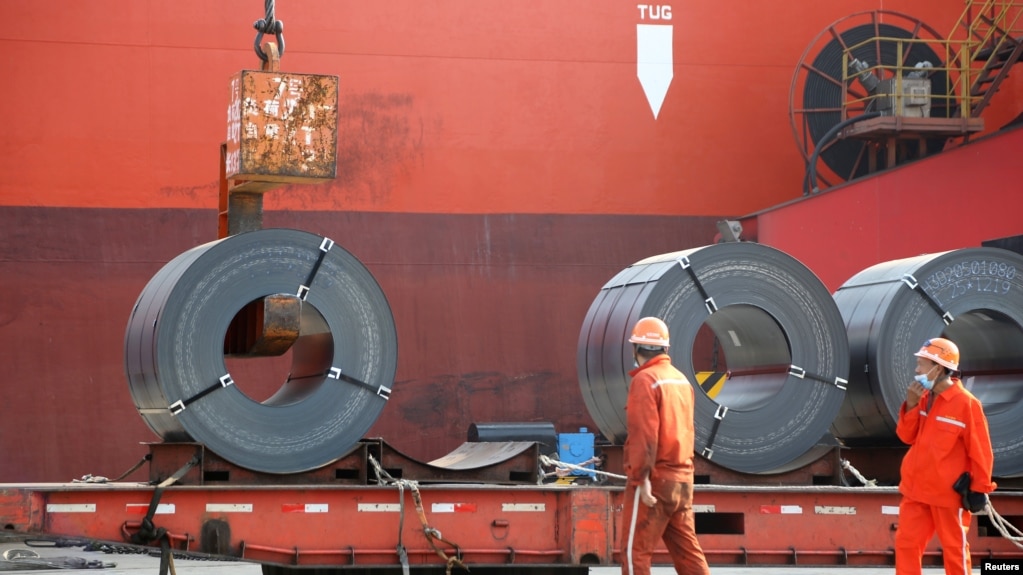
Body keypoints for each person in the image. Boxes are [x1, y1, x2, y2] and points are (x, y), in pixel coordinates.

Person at [894, 337, 996, 575]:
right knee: (906, 545)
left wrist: (981, 488)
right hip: (916, 490)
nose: (916, 370)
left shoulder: (967, 404)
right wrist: (909, 405)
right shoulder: (921, 398)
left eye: (921, 365)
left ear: (937, 368)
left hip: (948, 495)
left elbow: (980, 449)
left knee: (954, 550)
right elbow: (906, 437)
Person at [620, 316, 710, 575]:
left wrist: (642, 477)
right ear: (666, 349)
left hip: (655, 480)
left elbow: (644, 435)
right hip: (682, 481)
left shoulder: (645, 380)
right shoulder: (682, 381)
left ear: (636, 349)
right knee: (688, 554)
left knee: (635, 553)